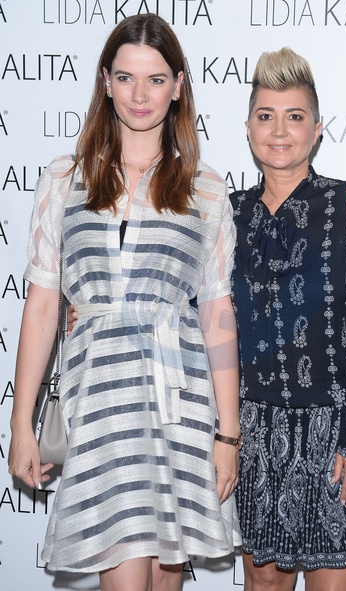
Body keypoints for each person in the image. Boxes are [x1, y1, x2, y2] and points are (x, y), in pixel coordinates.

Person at [8, 13, 241, 591]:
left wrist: (228, 435)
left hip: (180, 400)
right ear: (105, 81)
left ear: (178, 86)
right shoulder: (65, 179)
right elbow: (42, 306)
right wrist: (21, 422)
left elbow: (216, 315)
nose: (140, 95)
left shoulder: (206, 188)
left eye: (156, 79)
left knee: (164, 581)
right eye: (126, 77)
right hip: (99, 399)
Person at [229, 48, 346, 591]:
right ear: (248, 127)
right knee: (262, 584)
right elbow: (187, 309)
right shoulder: (226, 215)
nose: (280, 130)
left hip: (339, 440)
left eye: (295, 116)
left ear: (318, 128)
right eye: (266, 115)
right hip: (252, 436)